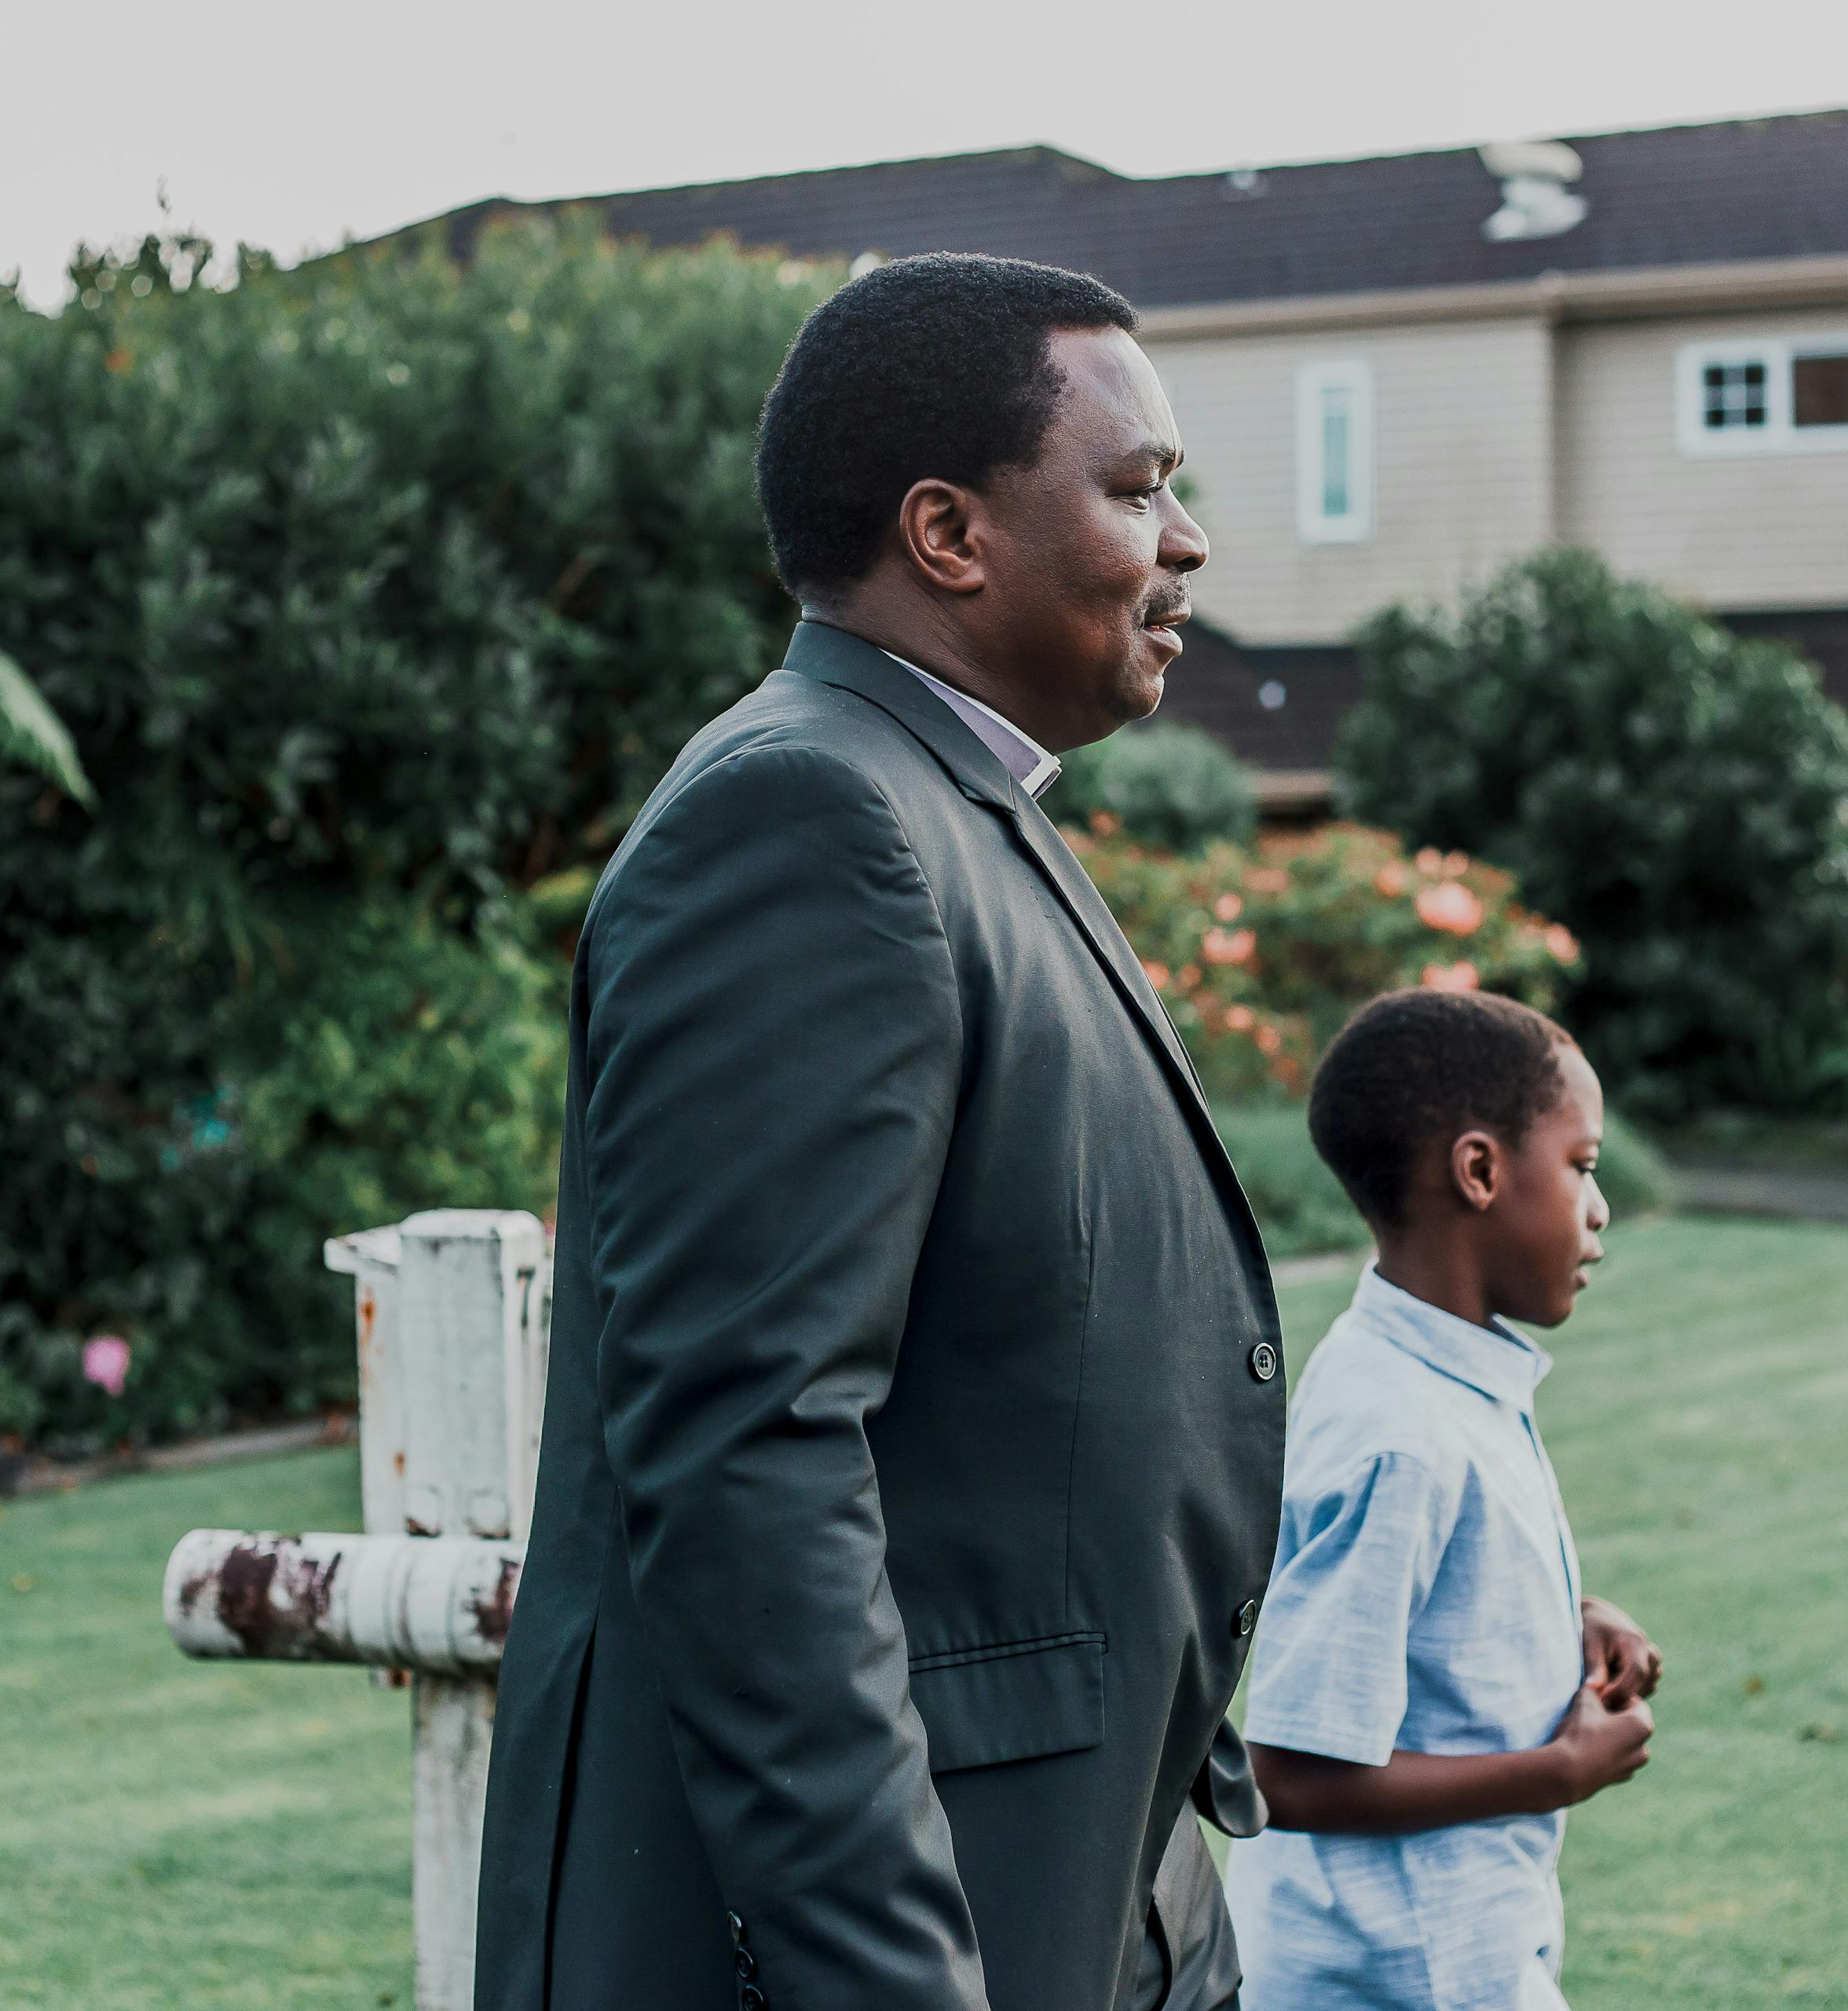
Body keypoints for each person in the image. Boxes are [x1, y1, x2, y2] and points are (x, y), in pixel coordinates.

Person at [474, 253, 1286, 2011]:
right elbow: (752, 1459)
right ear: (948, 532)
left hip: (1085, 1889)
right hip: (904, 1936)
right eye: (1139, 489)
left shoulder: (950, 800)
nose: (1187, 541)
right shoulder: (805, 815)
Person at [1226, 990, 1662, 2011]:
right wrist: (1553, 1773)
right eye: (1582, 1167)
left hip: (1461, 1954)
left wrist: (1572, 1619)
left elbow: (1433, 1594)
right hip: (1391, 1975)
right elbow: (1286, 1774)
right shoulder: (1398, 1433)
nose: (1599, 1209)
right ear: (1479, 1171)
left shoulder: (1441, 1378)